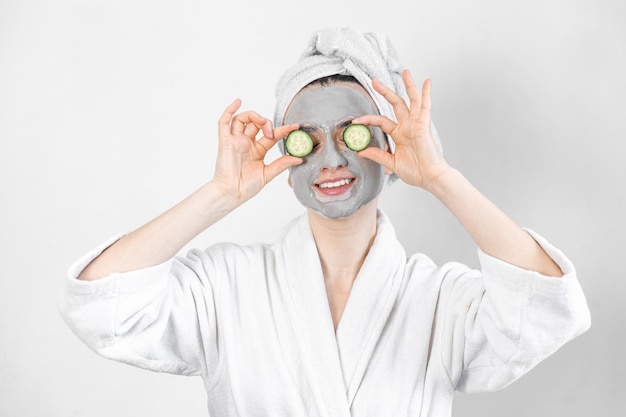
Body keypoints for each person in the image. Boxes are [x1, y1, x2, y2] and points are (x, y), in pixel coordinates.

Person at [59, 27, 591, 416]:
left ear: (389, 147)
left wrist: (439, 177)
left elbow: (544, 308)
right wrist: (220, 194)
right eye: (306, 139)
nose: (332, 159)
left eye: (353, 132)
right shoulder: (227, 288)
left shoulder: (438, 301)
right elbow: (103, 304)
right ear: (285, 159)